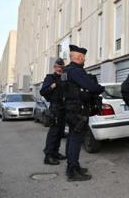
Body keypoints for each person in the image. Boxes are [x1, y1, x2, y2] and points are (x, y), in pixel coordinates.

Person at [61, 44, 105, 181]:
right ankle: (72, 171)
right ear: (79, 57)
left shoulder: (65, 71)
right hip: (78, 110)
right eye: (84, 57)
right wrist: (100, 88)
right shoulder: (76, 71)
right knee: (75, 140)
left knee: (71, 138)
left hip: (69, 108)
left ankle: (72, 166)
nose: (84, 60)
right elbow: (91, 86)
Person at [40, 58, 67, 165]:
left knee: (60, 132)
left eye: (61, 67)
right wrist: (52, 86)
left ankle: (55, 152)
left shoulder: (65, 77)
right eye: (58, 66)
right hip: (55, 107)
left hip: (63, 107)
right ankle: (48, 156)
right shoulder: (50, 78)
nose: (59, 68)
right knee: (54, 132)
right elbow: (42, 91)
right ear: (54, 67)